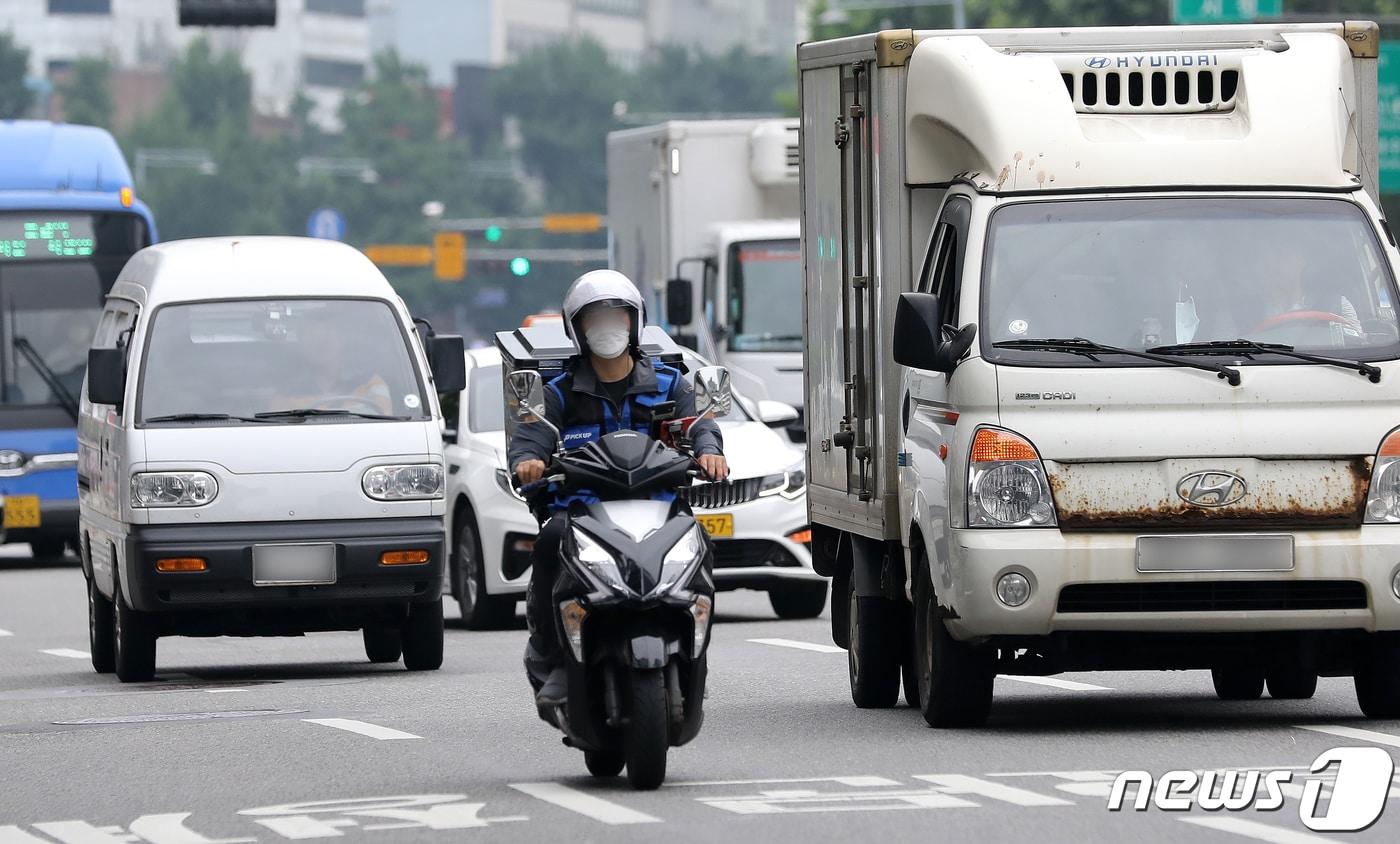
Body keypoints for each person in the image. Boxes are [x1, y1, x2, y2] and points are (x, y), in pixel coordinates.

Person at [508, 269, 728, 708]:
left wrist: (709, 451)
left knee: (700, 541)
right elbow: (529, 441)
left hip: (658, 508)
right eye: (595, 318)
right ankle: (552, 657)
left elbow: (700, 428)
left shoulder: (669, 385)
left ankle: (692, 646)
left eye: (617, 315)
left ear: (635, 322)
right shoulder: (558, 395)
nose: (607, 326)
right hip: (584, 513)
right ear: (577, 328)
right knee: (550, 541)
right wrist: (528, 463)